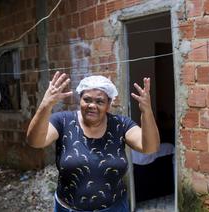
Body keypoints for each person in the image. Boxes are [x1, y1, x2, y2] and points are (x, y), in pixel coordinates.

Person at [26, 72, 160, 212]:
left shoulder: (121, 125)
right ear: (80, 100)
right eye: (87, 99)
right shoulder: (63, 121)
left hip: (114, 208)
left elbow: (150, 147)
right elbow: (35, 142)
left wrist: (146, 111)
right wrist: (45, 105)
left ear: (109, 104)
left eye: (100, 101)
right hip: (68, 209)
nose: (92, 105)